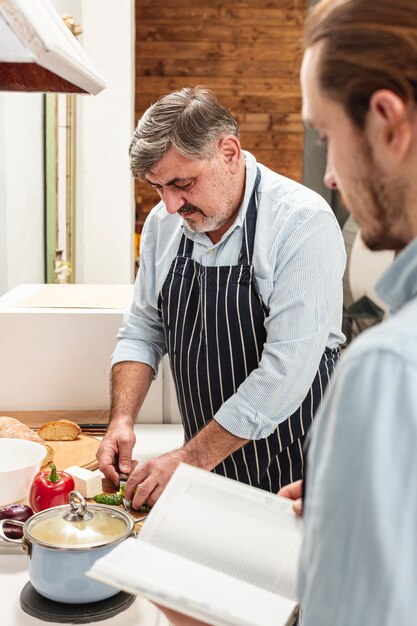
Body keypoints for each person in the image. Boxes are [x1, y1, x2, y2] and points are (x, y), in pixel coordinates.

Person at [97, 86, 346, 510]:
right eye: (158, 188)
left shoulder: (302, 224)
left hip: (294, 468)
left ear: (228, 152)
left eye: (182, 183)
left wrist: (189, 459)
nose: (171, 204)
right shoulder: (164, 223)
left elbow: (281, 377)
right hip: (205, 461)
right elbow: (143, 329)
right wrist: (121, 420)